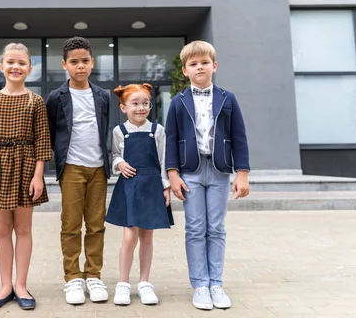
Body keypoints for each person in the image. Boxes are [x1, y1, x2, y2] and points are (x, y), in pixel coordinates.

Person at [165, 40, 250, 310]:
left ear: (214, 66)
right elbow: (171, 138)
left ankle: (216, 283)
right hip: (190, 172)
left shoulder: (228, 99)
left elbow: (239, 137)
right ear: (185, 70)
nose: (199, 67)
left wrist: (243, 173)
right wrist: (172, 174)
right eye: (193, 64)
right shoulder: (178, 102)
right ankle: (200, 284)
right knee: (194, 229)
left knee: (216, 229)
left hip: (219, 172)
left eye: (204, 62)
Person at [0, 43, 51, 311]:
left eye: (21, 63)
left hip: (26, 167)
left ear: (30, 68)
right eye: (10, 62)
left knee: (25, 229)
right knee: (2, 229)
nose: (16, 67)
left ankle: (21, 285)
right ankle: (5, 285)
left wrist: (38, 176)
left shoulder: (36, 101)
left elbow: (42, 140)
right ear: (1, 66)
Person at [46, 37, 111, 305]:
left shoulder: (103, 96)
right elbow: (51, 133)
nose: (80, 66)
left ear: (92, 63)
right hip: (71, 168)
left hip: (99, 169)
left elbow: (106, 131)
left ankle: (93, 275)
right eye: (74, 62)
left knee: (96, 225)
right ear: (65, 65)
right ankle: (73, 278)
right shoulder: (56, 97)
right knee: (71, 225)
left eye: (85, 61)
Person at [105, 83, 174, 306]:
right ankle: (123, 284)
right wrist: (120, 163)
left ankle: (144, 283)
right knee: (129, 236)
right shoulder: (119, 131)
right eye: (134, 104)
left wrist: (166, 187)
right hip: (129, 187)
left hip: (152, 186)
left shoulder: (158, 130)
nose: (141, 108)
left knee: (147, 236)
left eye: (145, 103)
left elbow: (164, 160)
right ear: (123, 107)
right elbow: (114, 154)